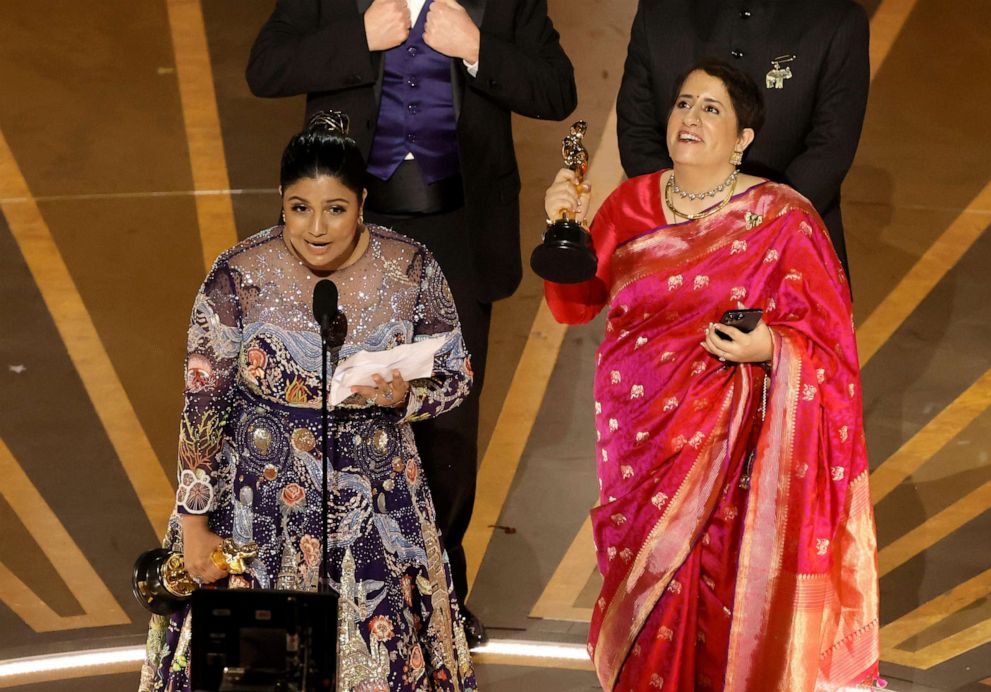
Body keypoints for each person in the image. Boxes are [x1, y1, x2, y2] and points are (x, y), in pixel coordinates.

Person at [246, 0, 577, 641]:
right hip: (349, 235)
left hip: (459, 229)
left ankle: (440, 591)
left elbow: (556, 87)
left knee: (446, 424)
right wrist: (358, 37)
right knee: (334, 408)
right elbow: (266, 67)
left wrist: (477, 45)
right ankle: (332, 592)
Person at [543, 61, 879, 690]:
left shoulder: (781, 217)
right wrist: (562, 230)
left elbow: (831, 349)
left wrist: (770, 349)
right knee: (643, 587)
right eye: (683, 104)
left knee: (720, 587)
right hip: (638, 437)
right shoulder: (630, 202)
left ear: (745, 137)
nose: (690, 118)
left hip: (735, 449)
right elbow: (574, 305)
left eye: (711, 109)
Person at [139, 112, 476, 692]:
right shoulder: (238, 275)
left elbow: (457, 374)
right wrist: (194, 525)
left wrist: (406, 397)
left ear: (363, 201)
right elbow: (202, 407)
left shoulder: (410, 269)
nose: (316, 227)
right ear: (281, 200)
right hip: (256, 513)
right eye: (300, 208)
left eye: (336, 209)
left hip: (377, 513)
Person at [616, 0, 869, 276]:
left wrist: (752, 230)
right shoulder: (659, 9)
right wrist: (684, 222)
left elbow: (830, 148)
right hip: (669, 254)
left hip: (787, 257)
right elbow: (636, 132)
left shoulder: (838, 19)